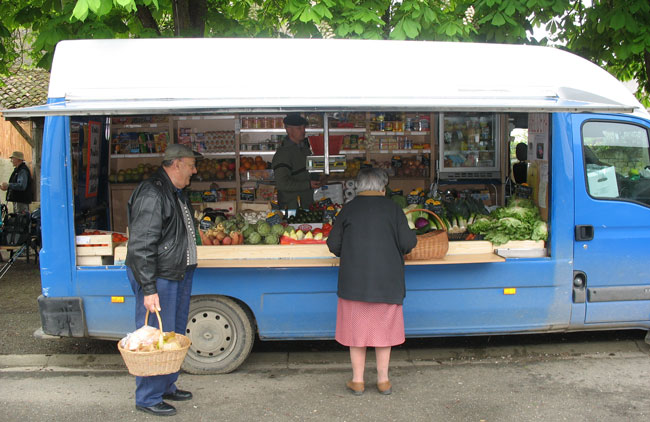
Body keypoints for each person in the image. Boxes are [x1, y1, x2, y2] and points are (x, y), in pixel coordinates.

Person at [125, 144, 202, 417]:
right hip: (160, 277)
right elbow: (141, 245)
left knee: (173, 333)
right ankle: (148, 396)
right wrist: (149, 288)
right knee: (155, 337)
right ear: (176, 163)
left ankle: (167, 385)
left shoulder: (175, 192)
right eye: (191, 164)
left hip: (177, 273)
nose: (195, 170)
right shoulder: (153, 193)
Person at [326, 167, 417, 396]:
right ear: (382, 188)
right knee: (383, 333)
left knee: (357, 334)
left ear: (358, 187)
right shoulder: (393, 209)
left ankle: (357, 381)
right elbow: (408, 243)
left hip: (354, 284)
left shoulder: (348, 210)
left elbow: (333, 245)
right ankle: (383, 380)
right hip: (387, 283)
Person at [272, 113, 322, 209]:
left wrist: (319, 178)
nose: (303, 131)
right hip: (292, 208)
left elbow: (306, 172)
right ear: (288, 129)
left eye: (304, 128)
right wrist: (308, 184)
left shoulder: (304, 149)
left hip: (306, 205)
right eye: (299, 128)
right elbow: (282, 184)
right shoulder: (283, 153)